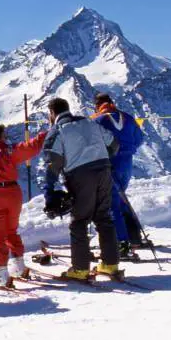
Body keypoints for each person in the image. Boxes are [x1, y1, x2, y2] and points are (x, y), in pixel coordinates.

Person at [42, 97, 121, 279]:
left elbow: (53, 163)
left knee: (79, 221)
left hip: (80, 175)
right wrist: (101, 157)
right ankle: (110, 264)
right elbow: (114, 144)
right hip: (104, 171)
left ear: (52, 114)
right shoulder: (89, 122)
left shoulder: (57, 131)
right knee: (103, 217)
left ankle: (80, 269)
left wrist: (50, 193)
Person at [0, 124, 47, 286]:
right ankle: (19, 266)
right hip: (14, 192)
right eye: (4, 135)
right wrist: (45, 134)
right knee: (11, 229)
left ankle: (1, 274)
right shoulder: (8, 151)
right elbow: (31, 148)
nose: (6, 137)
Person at [91, 93, 146, 258]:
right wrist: (128, 149)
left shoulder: (98, 120)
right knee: (121, 199)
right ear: (111, 103)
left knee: (111, 203)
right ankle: (134, 236)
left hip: (109, 164)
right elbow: (140, 138)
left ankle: (121, 243)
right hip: (127, 164)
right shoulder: (127, 117)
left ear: (97, 105)